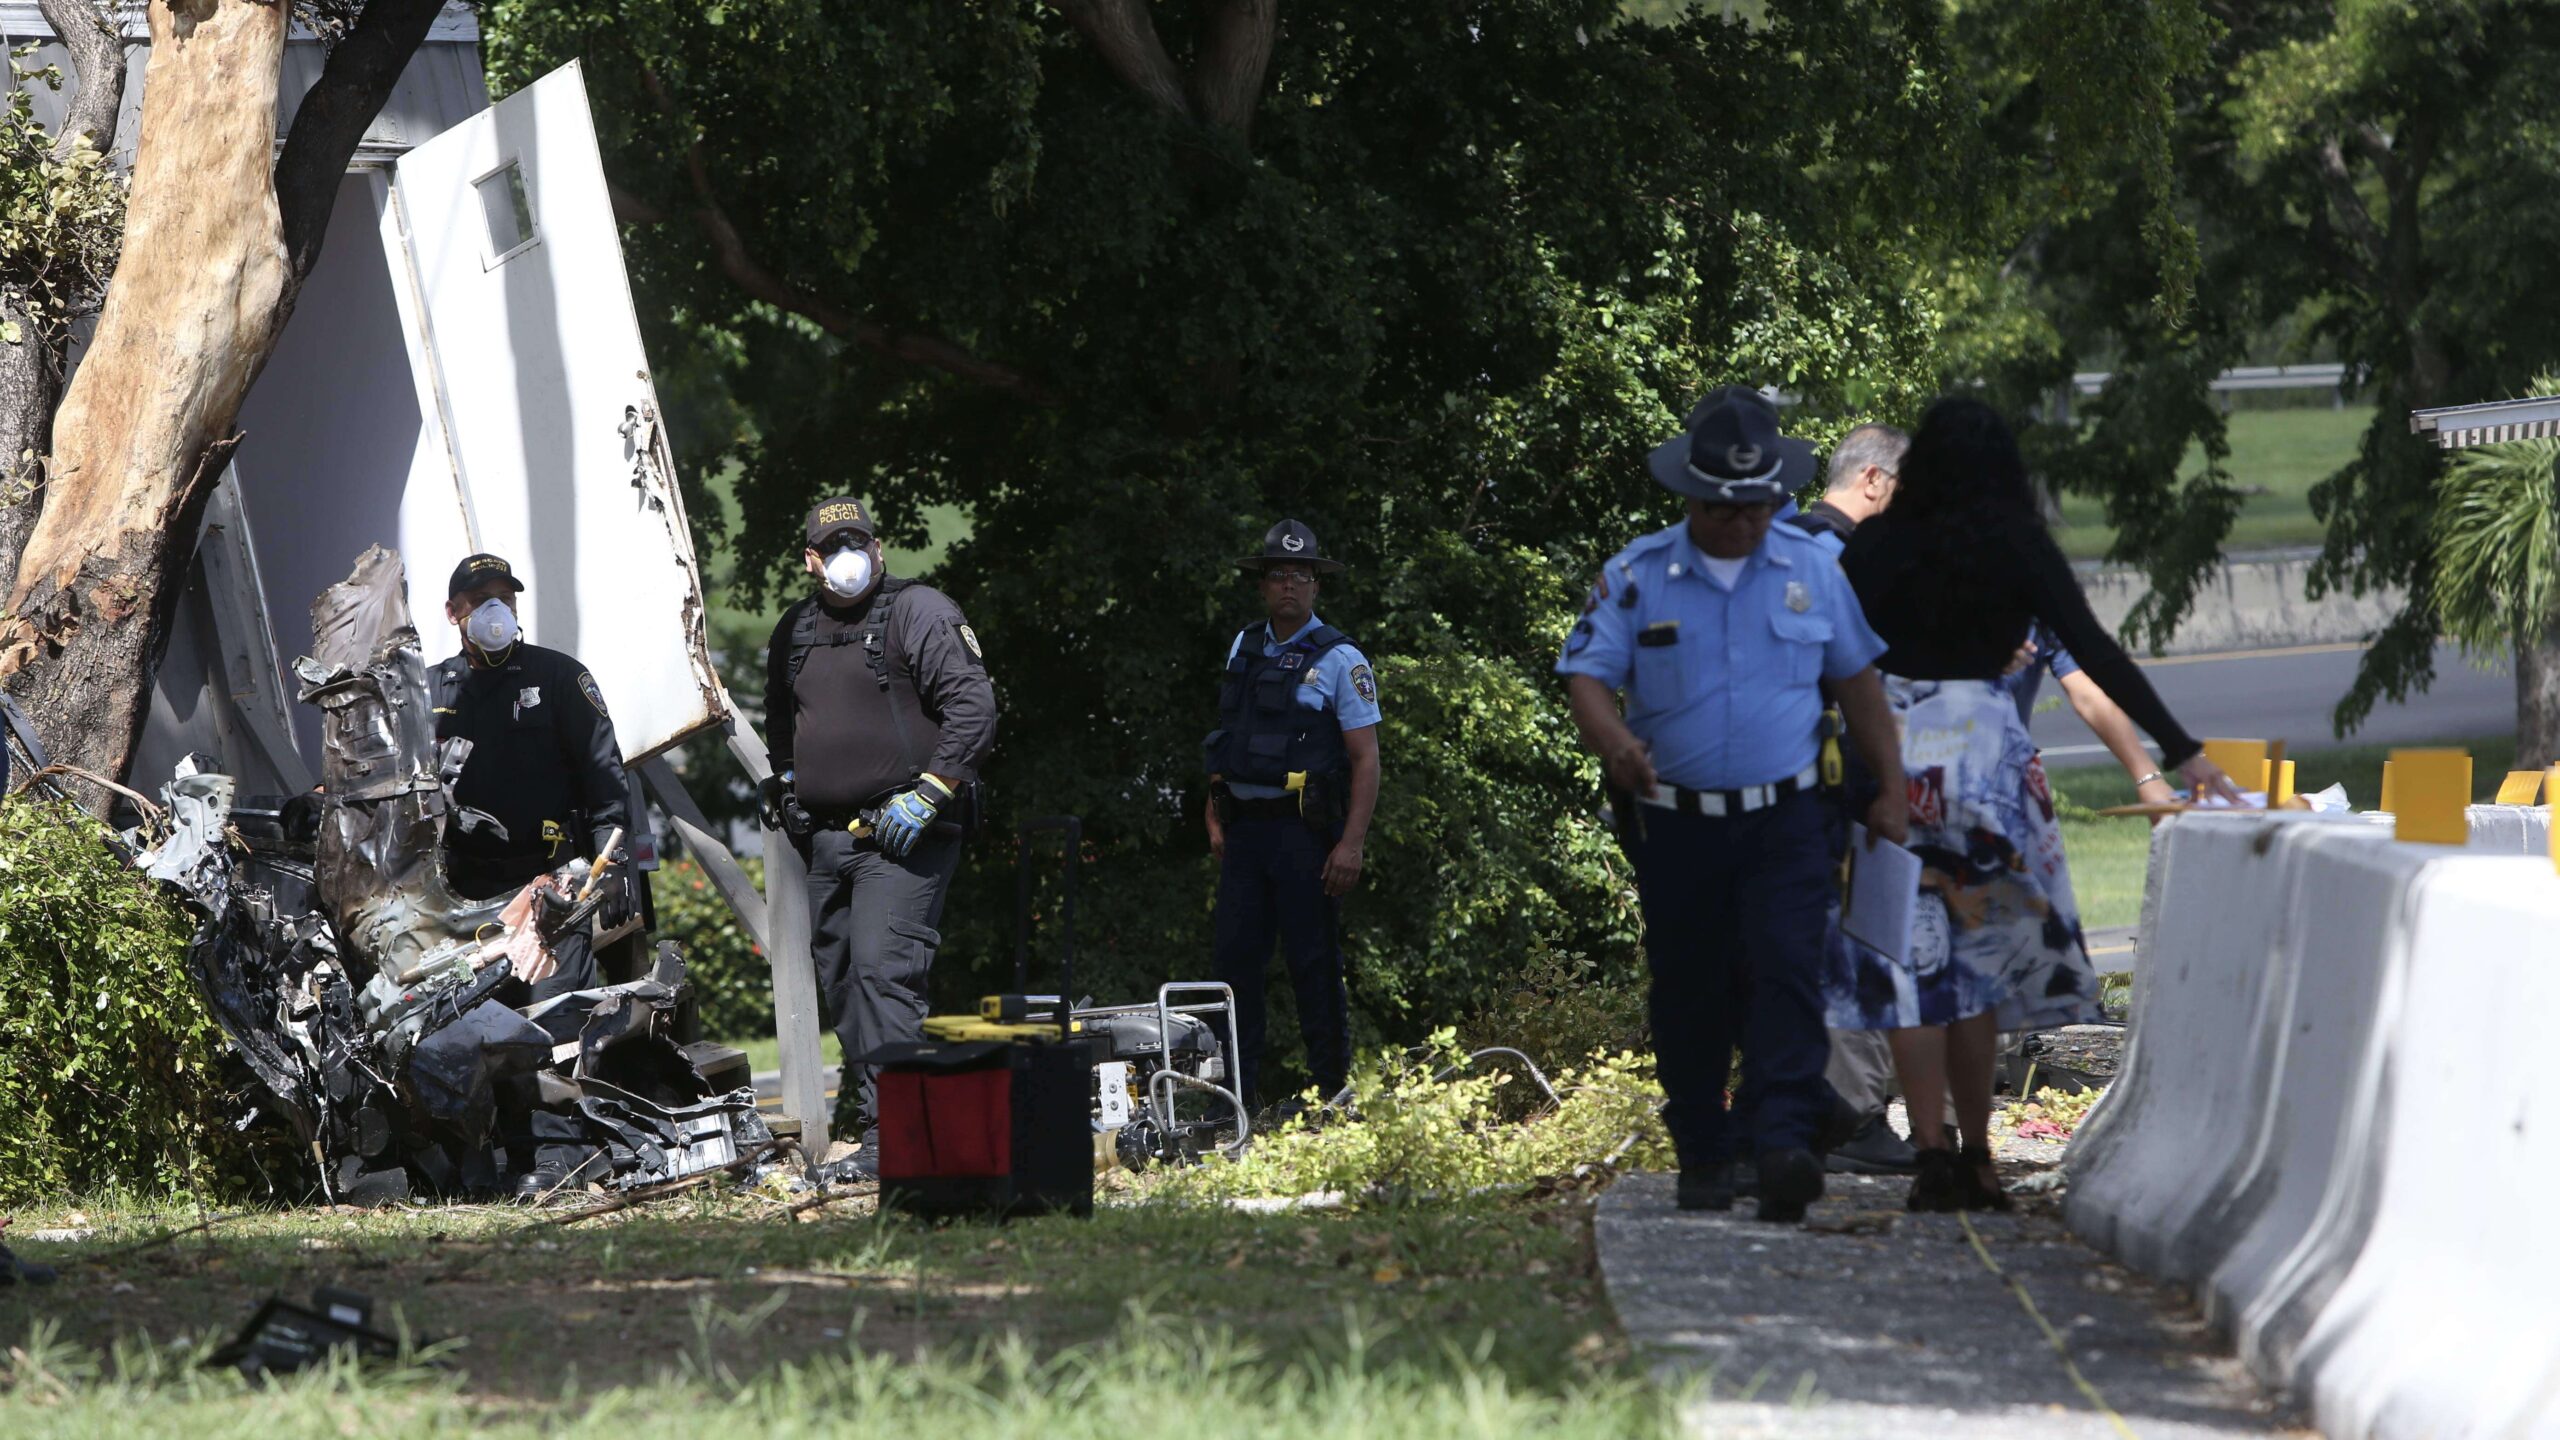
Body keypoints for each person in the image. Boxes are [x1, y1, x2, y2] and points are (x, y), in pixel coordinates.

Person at [1834, 398, 2235, 1212]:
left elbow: (1838, 659)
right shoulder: (2014, 542)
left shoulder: (1872, 546)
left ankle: (1932, 1155)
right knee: (1977, 972)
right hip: (1983, 755)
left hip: (1895, 752)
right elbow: (2095, 649)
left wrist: (1860, 776)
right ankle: (1980, 1156)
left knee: (1912, 970)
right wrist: (2179, 747)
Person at [1560, 386, 1911, 1222]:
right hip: (1677, 822)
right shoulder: (1638, 576)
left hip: (1786, 817)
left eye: (1756, 507)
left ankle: (1785, 1141)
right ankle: (1704, 1152)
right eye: (1723, 508)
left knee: (1789, 971)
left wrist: (1891, 788)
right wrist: (1615, 744)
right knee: (1692, 988)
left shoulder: (1813, 574)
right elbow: (1587, 677)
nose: (1740, 523)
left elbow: (1859, 687)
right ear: (1692, 494)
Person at [761, 496, 996, 1176]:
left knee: (881, 973)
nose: (846, 556)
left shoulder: (919, 611)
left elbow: (974, 708)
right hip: (827, 841)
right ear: (811, 560)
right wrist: (783, 780)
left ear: (879, 547)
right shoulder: (795, 628)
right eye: (832, 546)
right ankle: (876, 1121)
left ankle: (902, 1138)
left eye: (856, 542)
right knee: (842, 980)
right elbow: (781, 717)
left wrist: (931, 791)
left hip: (906, 834)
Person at [430, 551, 638, 1198]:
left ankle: (561, 1159)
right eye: (480, 598)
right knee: (478, 1029)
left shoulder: (558, 677)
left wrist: (611, 866)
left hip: (552, 885)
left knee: (554, 1027)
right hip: (464, 896)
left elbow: (607, 781)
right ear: (453, 614)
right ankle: (486, 1164)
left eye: (506, 598)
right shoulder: (428, 693)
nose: (495, 610)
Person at [1203, 520, 1380, 1113]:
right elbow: (1227, 737)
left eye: (1300, 576)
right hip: (1245, 834)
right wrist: (1214, 809)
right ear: (1262, 585)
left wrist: (1351, 844)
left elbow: (1366, 758)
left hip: (1305, 836)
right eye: (1277, 574)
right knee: (1234, 966)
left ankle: (1333, 1096)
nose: (1288, 586)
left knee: (1313, 965)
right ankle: (1236, 1102)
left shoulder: (1340, 657)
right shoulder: (1244, 646)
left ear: (1315, 587)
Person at [1781, 422, 1919, 1177]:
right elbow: (1868, 687)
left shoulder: (1783, 545)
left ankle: (1814, 1109)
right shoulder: (1843, 559)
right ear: (1872, 479)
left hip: (1788, 784)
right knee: (1861, 949)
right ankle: (1856, 1113)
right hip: (1844, 788)